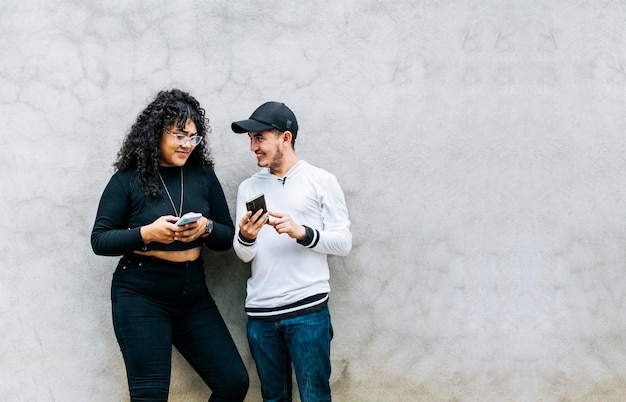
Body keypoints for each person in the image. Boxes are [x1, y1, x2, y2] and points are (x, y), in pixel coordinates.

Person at [91, 89, 249, 401]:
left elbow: (227, 237)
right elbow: (100, 239)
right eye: (179, 135)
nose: (187, 144)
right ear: (155, 133)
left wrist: (206, 228)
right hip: (141, 293)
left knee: (233, 382)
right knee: (150, 395)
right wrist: (146, 234)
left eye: (194, 137)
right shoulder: (128, 179)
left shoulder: (202, 175)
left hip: (192, 293)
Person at [231, 101, 352, 402]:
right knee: (273, 399)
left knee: (315, 397)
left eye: (259, 138)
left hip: (308, 314)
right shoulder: (248, 187)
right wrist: (246, 236)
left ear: (285, 138)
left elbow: (343, 242)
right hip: (260, 316)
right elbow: (244, 254)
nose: (252, 146)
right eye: (250, 139)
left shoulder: (321, 180)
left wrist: (302, 233)